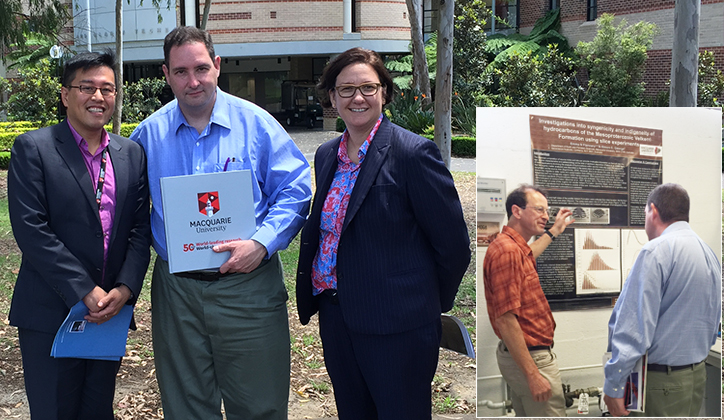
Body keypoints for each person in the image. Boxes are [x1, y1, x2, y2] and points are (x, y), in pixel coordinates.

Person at [130, 26, 311, 420]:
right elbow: (128, 213)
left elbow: (296, 191)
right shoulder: (147, 136)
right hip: (177, 292)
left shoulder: (257, 125)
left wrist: (261, 243)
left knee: (260, 404)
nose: (192, 81)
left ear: (217, 65)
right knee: (186, 407)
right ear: (166, 74)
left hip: (248, 287)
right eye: (180, 72)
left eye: (200, 68)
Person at [295, 47, 471, 419]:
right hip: (336, 317)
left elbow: (453, 245)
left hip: (398, 325)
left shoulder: (413, 153)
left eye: (368, 88)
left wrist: (420, 305)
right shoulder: (328, 154)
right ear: (332, 97)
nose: (357, 97)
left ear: (384, 93)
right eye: (346, 90)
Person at [7, 50, 151, 419]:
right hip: (51, 311)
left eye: (107, 89)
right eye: (87, 87)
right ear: (65, 94)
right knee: (55, 411)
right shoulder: (34, 148)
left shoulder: (130, 153)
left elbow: (139, 228)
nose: (98, 97)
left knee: (97, 410)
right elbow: (31, 229)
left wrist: (126, 289)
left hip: (110, 313)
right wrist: (84, 291)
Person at [603, 183, 721, 417]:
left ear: (653, 211)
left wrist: (614, 386)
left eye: (645, 213)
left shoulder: (655, 252)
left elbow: (634, 330)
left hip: (658, 385)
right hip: (695, 377)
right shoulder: (708, 253)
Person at [482, 184, 574, 417]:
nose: (545, 216)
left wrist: (554, 231)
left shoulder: (513, 247)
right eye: (539, 209)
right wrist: (533, 375)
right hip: (533, 359)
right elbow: (505, 320)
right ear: (517, 211)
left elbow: (529, 253)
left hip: (526, 356)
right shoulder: (508, 251)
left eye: (547, 211)